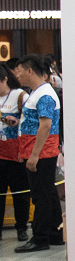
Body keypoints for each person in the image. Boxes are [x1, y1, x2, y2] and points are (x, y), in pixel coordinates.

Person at [12, 55, 63, 253]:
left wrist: (34, 155)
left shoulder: (44, 95)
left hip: (41, 153)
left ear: (30, 71)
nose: (17, 75)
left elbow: (45, 125)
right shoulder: (37, 93)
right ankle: (55, 233)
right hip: (36, 151)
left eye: (19, 71)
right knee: (48, 193)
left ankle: (40, 237)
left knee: (40, 195)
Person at [0, 64, 31, 242]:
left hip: (16, 153)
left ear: (5, 79)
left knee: (20, 193)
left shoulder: (20, 96)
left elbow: (29, 122)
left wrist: (16, 121)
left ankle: (21, 227)